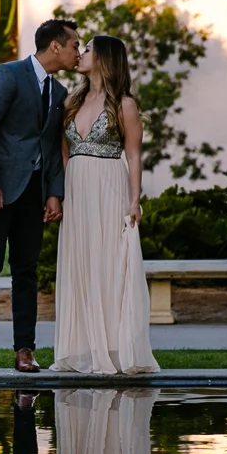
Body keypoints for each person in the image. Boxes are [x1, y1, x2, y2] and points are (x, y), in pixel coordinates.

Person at [0, 20, 77, 374]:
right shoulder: (6, 75)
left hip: (33, 195)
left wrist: (55, 194)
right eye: (74, 44)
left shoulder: (59, 94)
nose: (78, 52)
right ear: (55, 46)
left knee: (26, 273)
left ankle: (24, 350)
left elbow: (53, 147)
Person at [50, 34, 159, 375]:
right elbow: (64, 153)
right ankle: (80, 348)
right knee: (80, 264)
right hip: (77, 191)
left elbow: (134, 154)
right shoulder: (71, 102)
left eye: (87, 50)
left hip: (110, 188)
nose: (79, 54)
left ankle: (112, 349)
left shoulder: (124, 104)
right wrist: (63, 194)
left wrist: (134, 200)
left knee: (110, 265)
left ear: (105, 59)